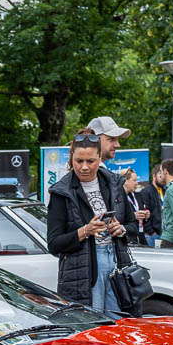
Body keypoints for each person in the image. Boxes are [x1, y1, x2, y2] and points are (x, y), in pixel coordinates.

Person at [46, 132, 135, 313]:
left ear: (100, 158)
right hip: (83, 271)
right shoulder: (61, 192)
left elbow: (133, 225)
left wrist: (121, 229)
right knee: (92, 325)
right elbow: (54, 244)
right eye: (79, 161)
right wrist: (85, 231)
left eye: (90, 161)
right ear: (72, 158)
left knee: (119, 323)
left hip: (118, 264)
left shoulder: (114, 184)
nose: (84, 167)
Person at [135, 172, 163, 247]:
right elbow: (144, 211)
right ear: (154, 176)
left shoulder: (163, 190)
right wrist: (151, 231)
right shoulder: (146, 191)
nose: (162, 179)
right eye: (160, 176)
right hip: (151, 234)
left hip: (160, 233)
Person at [120, 169, 143, 245]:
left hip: (138, 236)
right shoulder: (117, 198)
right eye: (134, 180)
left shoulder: (136, 195)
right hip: (125, 239)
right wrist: (132, 216)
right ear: (125, 181)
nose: (136, 183)